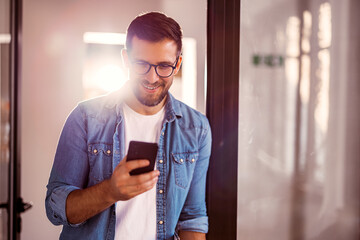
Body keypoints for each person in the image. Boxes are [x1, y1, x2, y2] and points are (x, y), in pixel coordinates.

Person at [45, 12, 211, 240]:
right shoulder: (85, 118)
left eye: (164, 66)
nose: (152, 78)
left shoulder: (196, 128)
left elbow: (193, 218)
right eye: (141, 64)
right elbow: (55, 209)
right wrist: (110, 191)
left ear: (178, 63)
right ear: (125, 59)